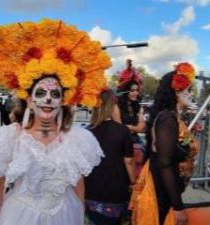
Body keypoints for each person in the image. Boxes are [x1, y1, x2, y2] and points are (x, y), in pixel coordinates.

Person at [0, 19, 111, 225]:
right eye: (41, 93)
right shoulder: (10, 137)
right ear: (30, 100)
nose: (48, 99)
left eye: (55, 94)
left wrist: (79, 218)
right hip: (19, 216)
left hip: (64, 214)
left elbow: (79, 185)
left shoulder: (78, 138)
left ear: (63, 101)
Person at [130, 62, 199, 225]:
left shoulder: (172, 117)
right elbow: (165, 163)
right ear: (176, 91)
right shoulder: (168, 118)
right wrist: (178, 207)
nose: (190, 94)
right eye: (188, 90)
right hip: (160, 192)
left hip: (167, 188)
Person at [85, 89, 136, 225]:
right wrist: (134, 182)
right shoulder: (122, 130)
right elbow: (129, 160)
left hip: (91, 193)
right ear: (112, 106)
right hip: (116, 193)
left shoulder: (86, 132)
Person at [112, 59, 146, 176]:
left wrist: (130, 127)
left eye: (137, 90)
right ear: (125, 91)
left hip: (136, 144)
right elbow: (119, 128)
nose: (135, 93)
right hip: (120, 146)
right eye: (132, 90)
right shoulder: (116, 106)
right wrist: (135, 127)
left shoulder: (138, 107)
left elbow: (142, 128)